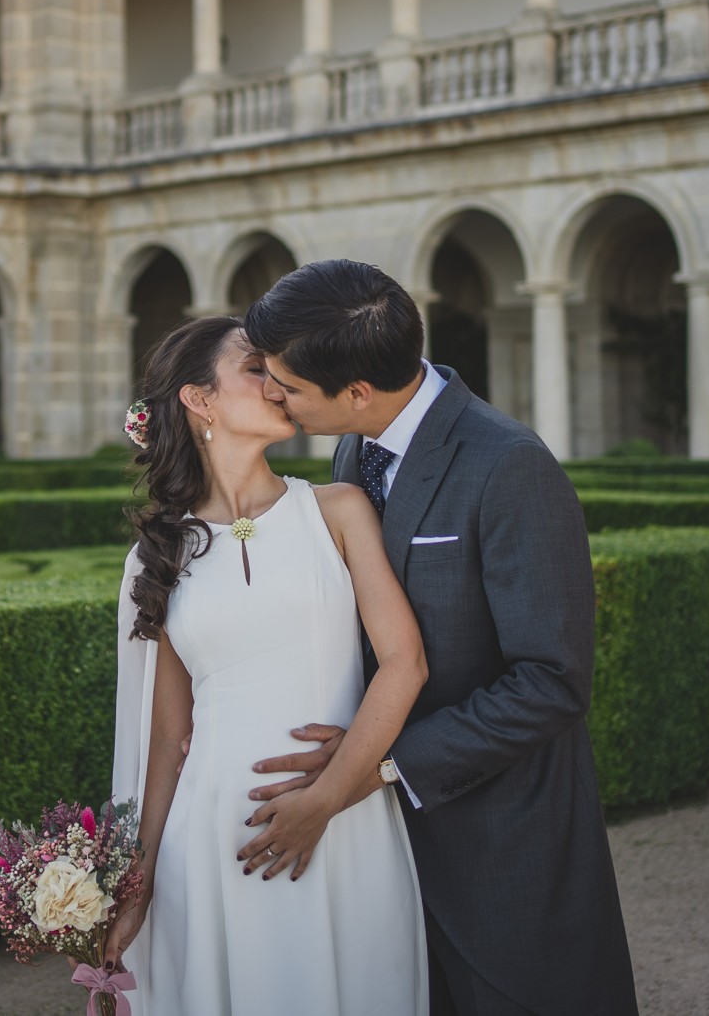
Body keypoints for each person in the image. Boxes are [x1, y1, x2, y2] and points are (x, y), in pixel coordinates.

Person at [240, 259, 639, 1016]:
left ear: (357, 391)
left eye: (287, 386)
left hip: (502, 843)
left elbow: (552, 679)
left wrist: (377, 766)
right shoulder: (355, 449)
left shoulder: (510, 464)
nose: (270, 394)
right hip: (385, 854)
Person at [104, 315, 429, 1015]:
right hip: (216, 835)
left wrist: (329, 797)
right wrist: (139, 882)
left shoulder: (339, 510)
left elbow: (404, 663)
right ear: (201, 400)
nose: (278, 381)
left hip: (344, 823)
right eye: (256, 367)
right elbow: (165, 737)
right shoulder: (159, 555)